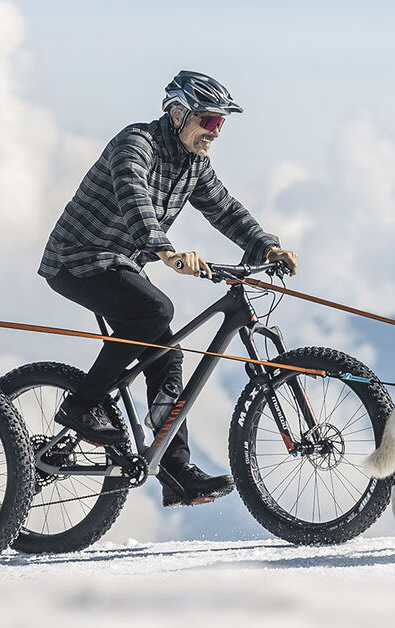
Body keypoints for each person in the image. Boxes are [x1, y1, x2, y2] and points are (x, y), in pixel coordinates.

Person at [39, 71, 298, 507]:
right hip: (76, 259)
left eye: (221, 124)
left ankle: (175, 472)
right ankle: (81, 405)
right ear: (178, 114)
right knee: (155, 310)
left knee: (167, 352)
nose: (215, 133)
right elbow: (132, 193)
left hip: (121, 264)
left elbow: (225, 209)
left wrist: (266, 247)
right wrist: (166, 251)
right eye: (208, 122)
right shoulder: (136, 143)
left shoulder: (195, 164)